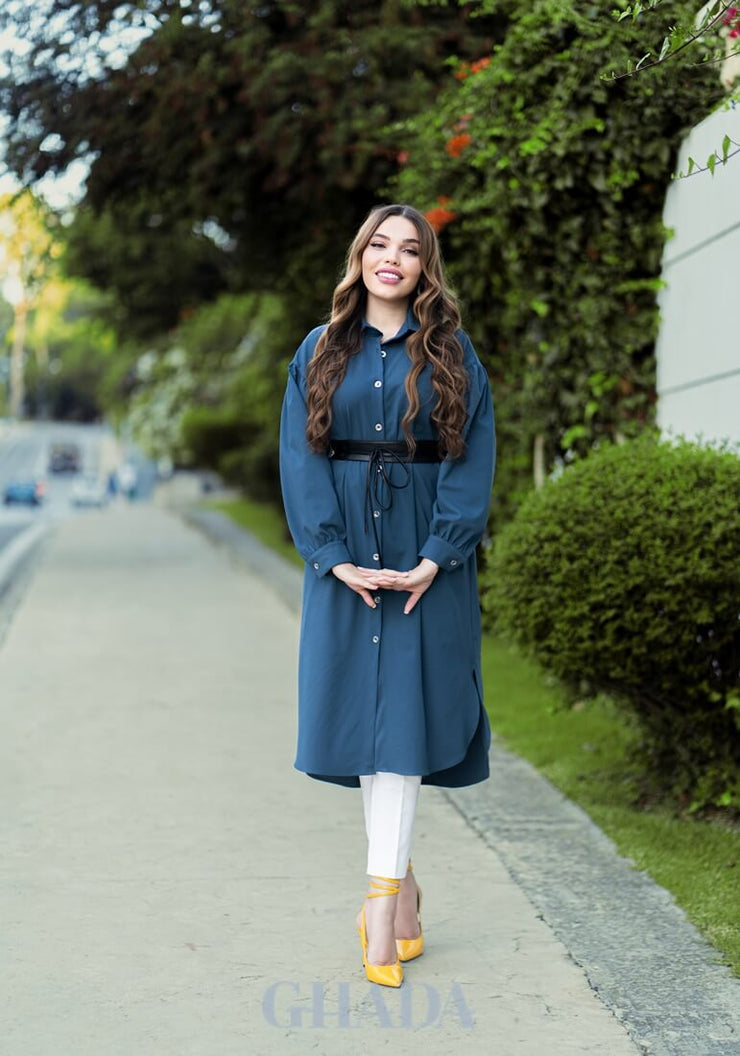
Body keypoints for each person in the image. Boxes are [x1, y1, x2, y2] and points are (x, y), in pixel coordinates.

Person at [279, 202, 496, 988]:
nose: (392, 259)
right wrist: (332, 559)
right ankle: (400, 888)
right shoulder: (319, 349)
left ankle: (377, 909)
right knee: (369, 728)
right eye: (380, 244)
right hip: (347, 559)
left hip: (424, 561)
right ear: (360, 256)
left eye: (410, 249)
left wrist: (438, 556)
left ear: (424, 267)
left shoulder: (453, 352)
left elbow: (472, 466)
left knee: (404, 724)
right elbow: (300, 459)